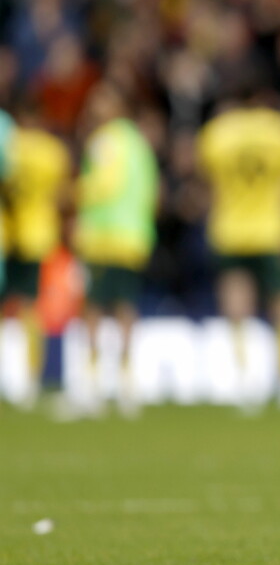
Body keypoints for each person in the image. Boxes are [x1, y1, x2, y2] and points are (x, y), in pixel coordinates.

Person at [197, 89, 280, 415]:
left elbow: (206, 181)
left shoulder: (217, 132)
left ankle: (243, 380)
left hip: (230, 229)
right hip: (272, 230)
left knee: (237, 305)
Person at [71, 83, 161, 417]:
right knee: (125, 308)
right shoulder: (139, 143)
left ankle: (90, 383)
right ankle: (126, 382)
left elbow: (101, 186)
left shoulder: (104, 141)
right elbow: (152, 190)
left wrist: (72, 193)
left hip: (102, 235)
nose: (96, 104)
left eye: (102, 98)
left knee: (93, 308)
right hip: (134, 237)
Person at [3, 102, 71, 407]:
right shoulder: (51, 150)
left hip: (8, 234)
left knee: (6, 307)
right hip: (39, 235)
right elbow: (62, 194)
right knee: (33, 309)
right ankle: (32, 376)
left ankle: (9, 375)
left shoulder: (10, 146)